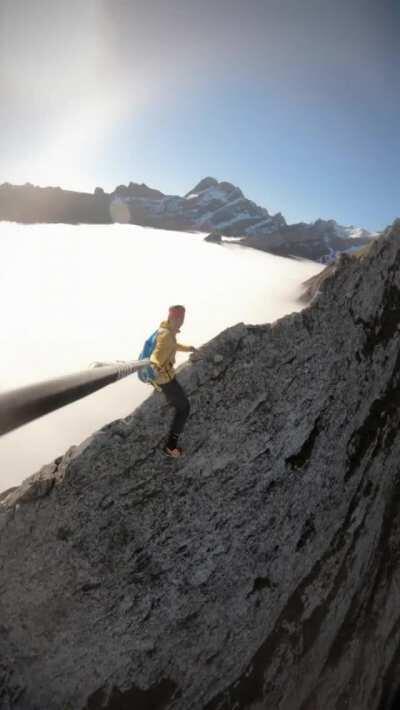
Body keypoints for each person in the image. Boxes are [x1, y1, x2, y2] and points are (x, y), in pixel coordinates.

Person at [150, 305, 197, 458]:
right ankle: (171, 447)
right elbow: (156, 355)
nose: (180, 321)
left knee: (181, 401)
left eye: (181, 318)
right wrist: (155, 364)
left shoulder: (166, 331)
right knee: (184, 408)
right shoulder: (166, 335)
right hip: (164, 379)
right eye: (177, 318)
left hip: (166, 376)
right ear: (171, 317)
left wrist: (188, 348)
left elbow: (173, 346)